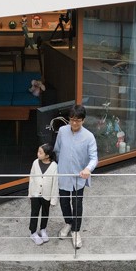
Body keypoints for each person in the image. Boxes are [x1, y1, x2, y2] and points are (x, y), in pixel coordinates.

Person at [54, 104, 98, 249]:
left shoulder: (89, 136)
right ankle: (68, 223)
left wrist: (87, 168)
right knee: (64, 202)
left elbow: (94, 158)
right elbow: (57, 150)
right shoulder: (62, 131)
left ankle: (76, 230)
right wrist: (61, 166)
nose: (74, 123)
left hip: (79, 176)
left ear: (83, 120)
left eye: (77, 120)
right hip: (64, 174)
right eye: (72, 119)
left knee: (77, 204)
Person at [27, 142, 59, 245]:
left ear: (47, 155)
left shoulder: (54, 166)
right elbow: (31, 178)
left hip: (47, 194)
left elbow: (55, 183)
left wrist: (54, 199)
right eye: (38, 151)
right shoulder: (35, 163)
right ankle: (33, 232)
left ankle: (43, 229)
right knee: (34, 213)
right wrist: (30, 193)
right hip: (35, 193)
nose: (38, 154)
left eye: (40, 152)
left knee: (45, 213)